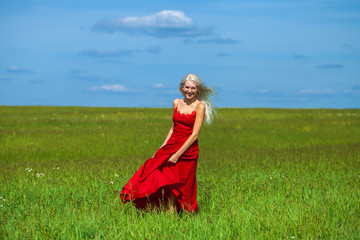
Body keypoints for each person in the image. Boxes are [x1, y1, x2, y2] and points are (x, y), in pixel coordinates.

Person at [120, 73, 215, 213]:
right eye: (187, 87)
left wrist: (177, 155)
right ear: (182, 88)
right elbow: (173, 128)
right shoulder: (176, 102)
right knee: (158, 176)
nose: (189, 90)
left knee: (183, 184)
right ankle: (166, 211)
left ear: (198, 90)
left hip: (188, 151)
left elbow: (195, 135)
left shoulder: (200, 106)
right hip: (172, 145)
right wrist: (162, 147)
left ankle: (183, 213)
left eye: (193, 88)